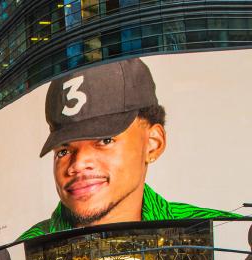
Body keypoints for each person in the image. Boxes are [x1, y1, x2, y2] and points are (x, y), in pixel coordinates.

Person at [20, 57, 239, 242]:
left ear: (153, 143)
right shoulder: (26, 250)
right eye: (63, 151)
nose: (78, 163)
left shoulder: (222, 234)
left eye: (105, 140)